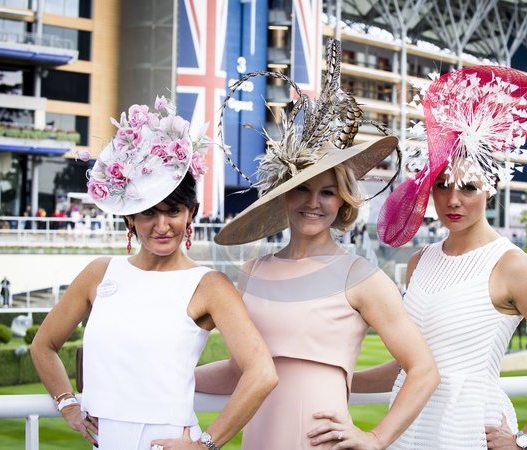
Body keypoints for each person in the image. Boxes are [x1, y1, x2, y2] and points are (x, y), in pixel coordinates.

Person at [181, 39, 440, 450]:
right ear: (284, 195)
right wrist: (171, 378)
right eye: (302, 188)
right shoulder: (253, 272)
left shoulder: (362, 278)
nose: (313, 203)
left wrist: (376, 438)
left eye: (327, 192)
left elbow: (423, 369)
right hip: (259, 439)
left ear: (343, 201)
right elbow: (238, 371)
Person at [358, 66, 527, 449]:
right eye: (441, 185)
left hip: (469, 433)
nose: (453, 199)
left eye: (468, 187)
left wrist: (524, 440)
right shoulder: (420, 262)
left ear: (491, 187)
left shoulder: (515, 268)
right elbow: (412, 366)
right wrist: (338, 380)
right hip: (409, 431)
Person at [30, 96, 277, 450]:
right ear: (130, 218)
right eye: (148, 212)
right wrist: (67, 402)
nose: (162, 226)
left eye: (173, 211)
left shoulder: (209, 286)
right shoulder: (99, 273)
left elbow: (262, 372)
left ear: (190, 214)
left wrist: (205, 445)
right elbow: (43, 345)